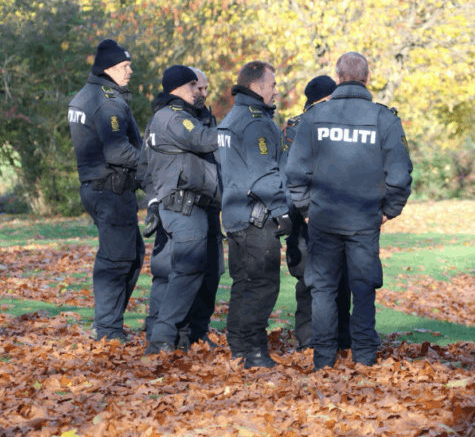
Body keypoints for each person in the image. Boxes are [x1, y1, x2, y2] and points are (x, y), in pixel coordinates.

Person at [285, 52, 413, 370]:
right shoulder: (384, 118)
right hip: (365, 218)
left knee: (324, 290)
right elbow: (400, 173)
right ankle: (365, 356)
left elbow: (295, 170)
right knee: (364, 287)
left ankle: (324, 358)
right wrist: (389, 211)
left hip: (323, 217)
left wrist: (305, 209)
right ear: (367, 78)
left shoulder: (314, 117)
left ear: (338, 77)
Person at [217, 61, 293, 369]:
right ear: (256, 87)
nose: (276, 89)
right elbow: (263, 175)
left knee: (244, 284)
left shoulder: (232, 117)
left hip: (236, 215)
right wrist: (283, 212)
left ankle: (239, 348)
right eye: (272, 84)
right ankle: (255, 351)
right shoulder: (255, 122)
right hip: (256, 218)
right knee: (261, 286)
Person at [68, 38, 143, 343]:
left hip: (96, 188)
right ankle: (108, 331)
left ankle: (109, 325)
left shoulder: (84, 96)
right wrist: (153, 164)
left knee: (131, 255)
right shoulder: (106, 101)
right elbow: (118, 152)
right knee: (117, 260)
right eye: (125, 66)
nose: (130, 71)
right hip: (110, 191)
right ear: (109, 68)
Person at [142, 65, 221, 355]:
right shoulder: (172, 118)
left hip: (194, 206)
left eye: (204, 88)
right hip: (184, 206)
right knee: (186, 270)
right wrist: (234, 129)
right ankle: (162, 339)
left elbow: (145, 165)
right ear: (179, 87)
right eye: (196, 87)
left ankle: (180, 335)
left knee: (177, 271)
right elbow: (201, 141)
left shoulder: (184, 117)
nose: (201, 93)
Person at [283, 75, 351, 352]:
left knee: (342, 278)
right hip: (306, 216)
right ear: (322, 100)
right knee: (310, 281)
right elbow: (292, 174)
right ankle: (310, 340)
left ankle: (341, 338)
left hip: (337, 213)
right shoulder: (295, 128)